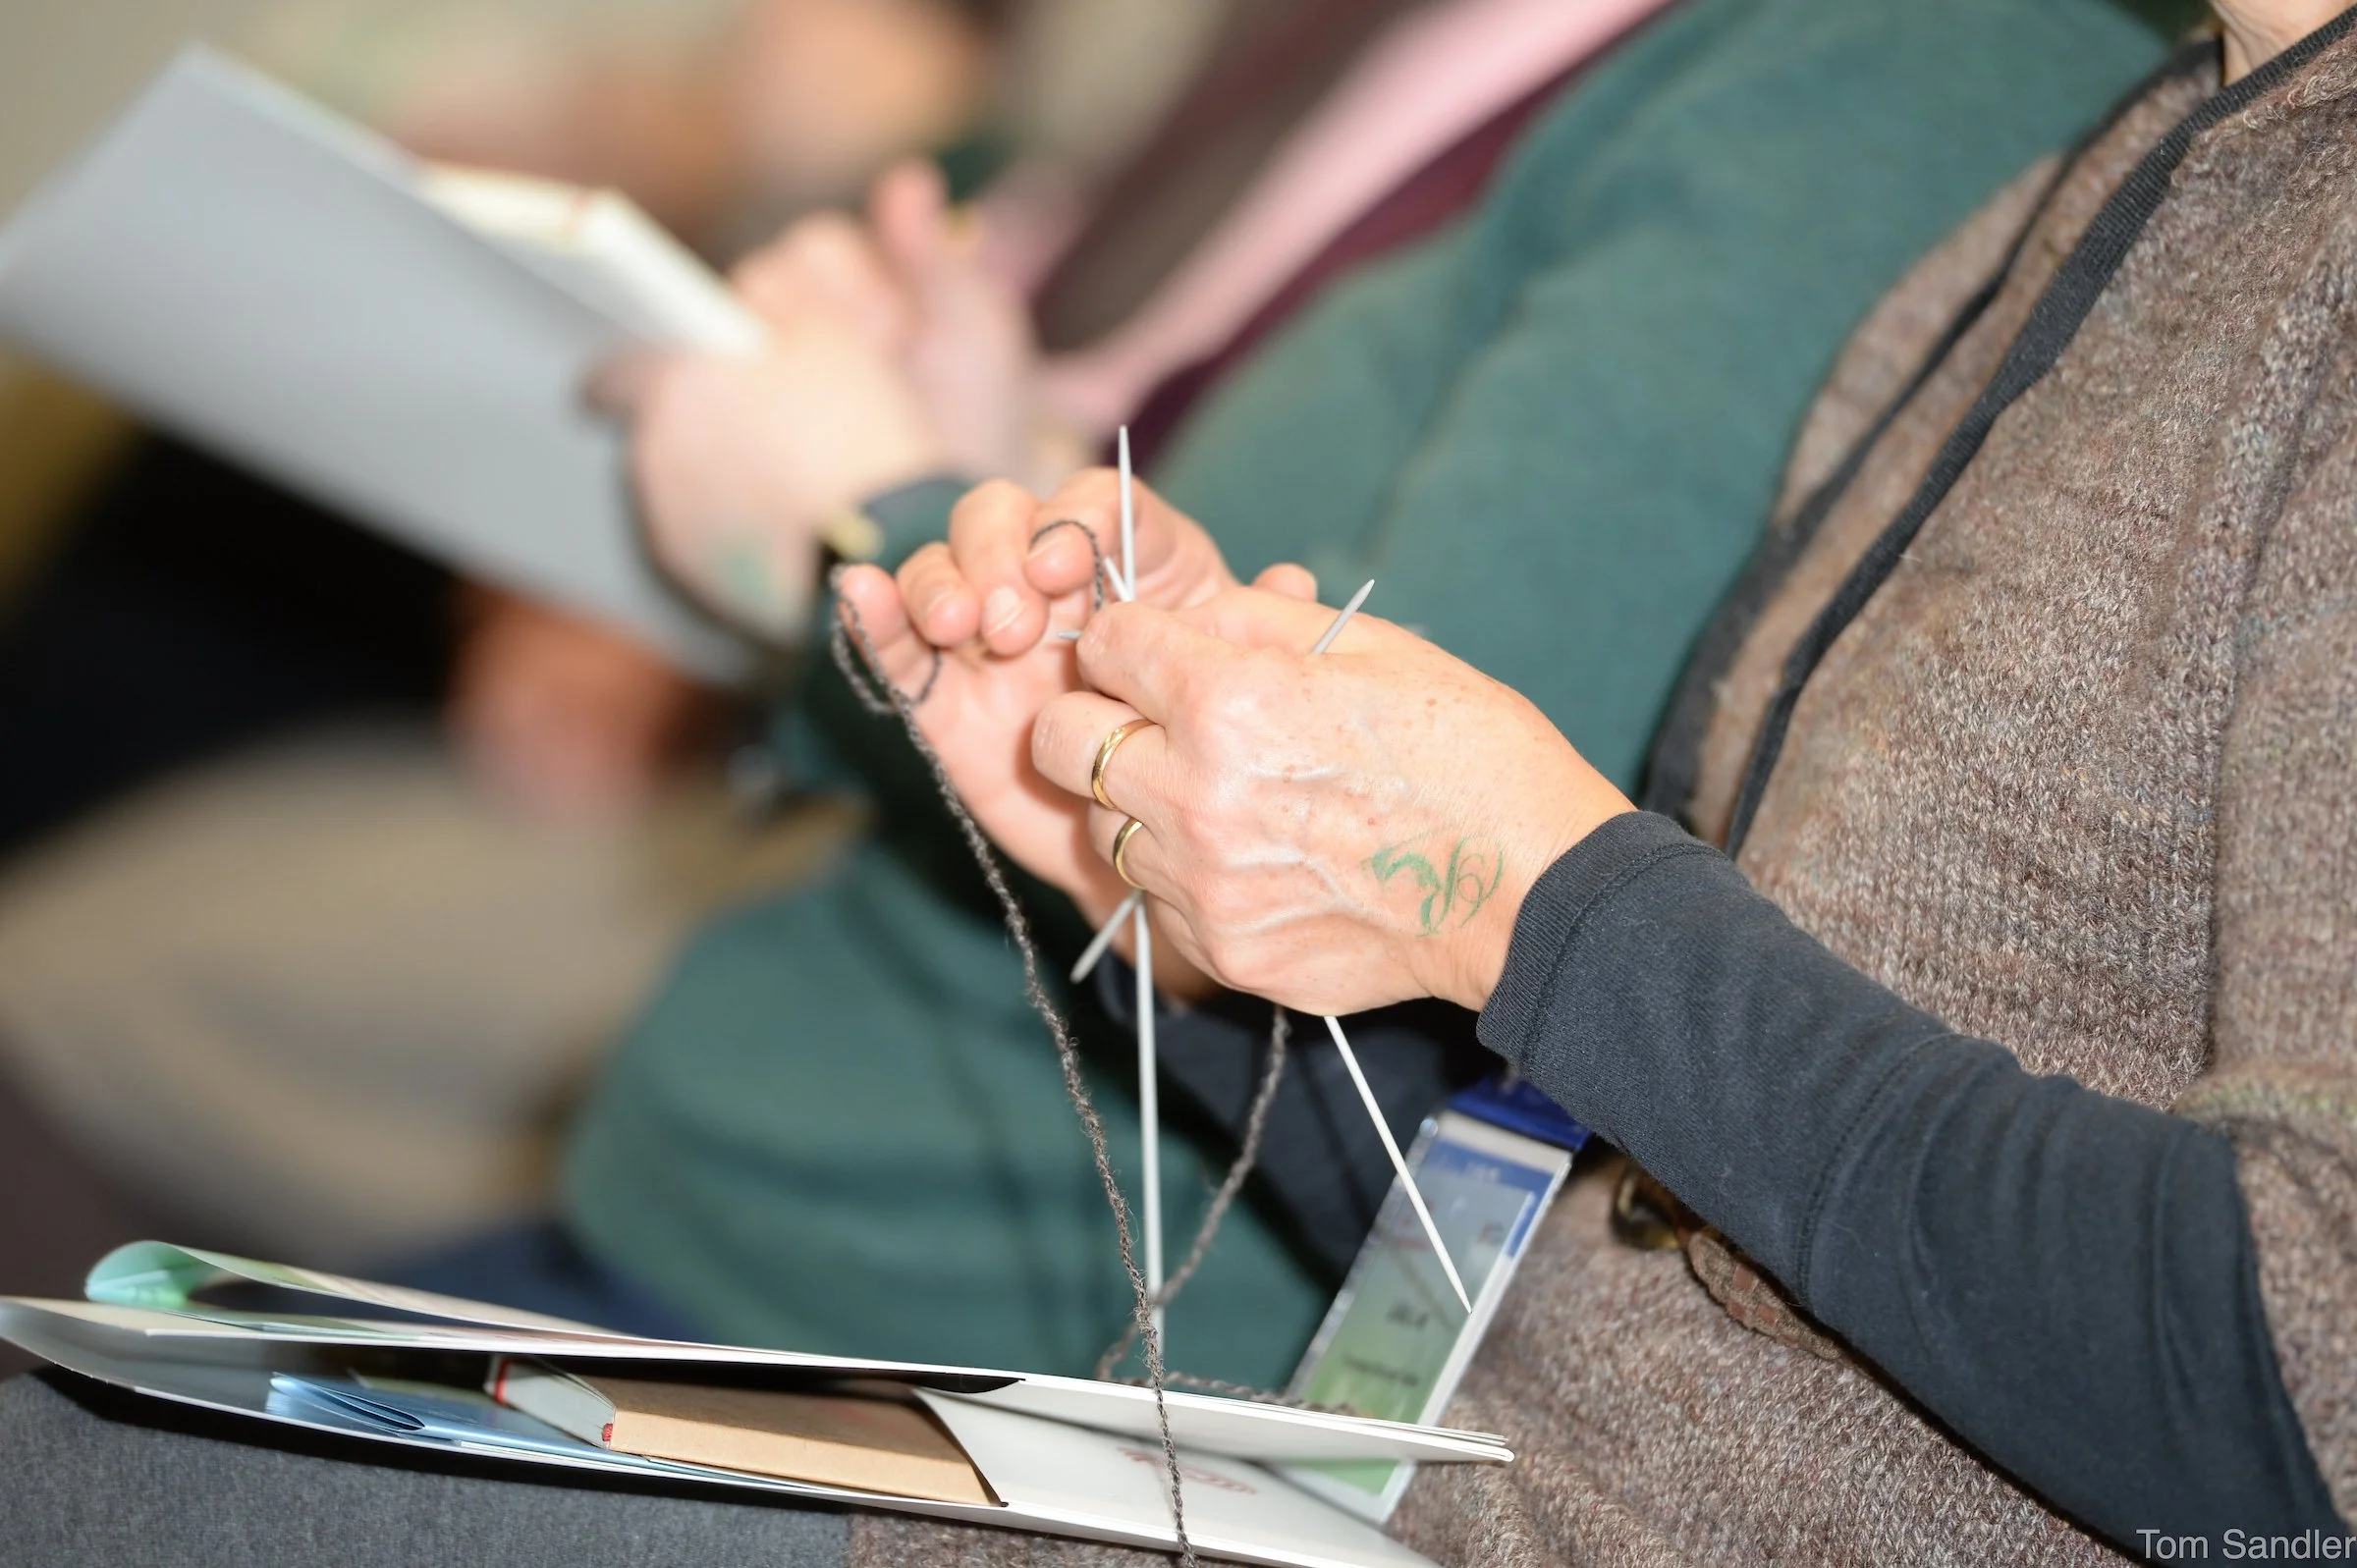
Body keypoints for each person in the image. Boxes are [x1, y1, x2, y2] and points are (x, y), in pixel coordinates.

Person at [822, 0, 2357, 1553]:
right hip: (1373, 1490)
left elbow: (2315, 1400)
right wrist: (1178, 883)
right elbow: (1646, 1222)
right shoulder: (2115, 169)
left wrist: (1511, 896)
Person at [545, 0, 2168, 1392]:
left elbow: (1352, 827)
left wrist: (858, 514)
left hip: (984, 1315)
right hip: (788, 1145)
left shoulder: (1895, 72)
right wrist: (1013, 457)